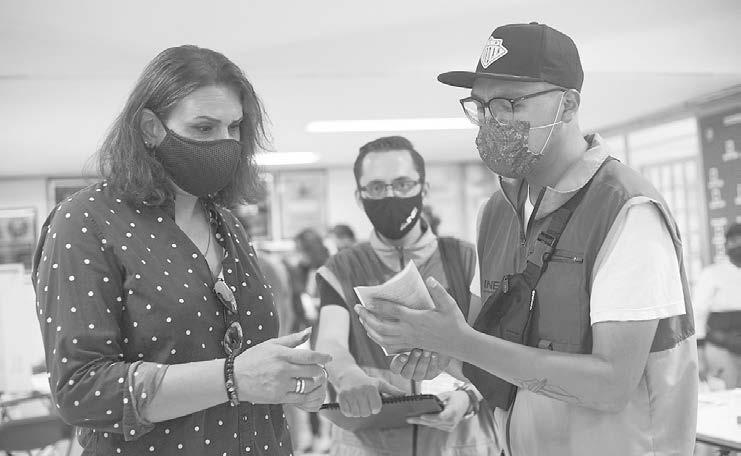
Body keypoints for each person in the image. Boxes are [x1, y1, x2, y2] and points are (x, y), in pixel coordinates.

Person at [355, 23, 698, 456]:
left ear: (568, 105)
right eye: (481, 106)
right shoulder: (497, 214)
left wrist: (461, 343)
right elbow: (491, 355)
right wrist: (438, 346)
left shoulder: (626, 210)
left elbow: (612, 384)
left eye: (509, 103)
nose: (492, 121)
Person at [32, 45, 331, 456]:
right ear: (151, 128)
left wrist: (290, 381)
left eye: (234, 127)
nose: (225, 143)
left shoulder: (228, 225)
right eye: (204, 128)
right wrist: (232, 378)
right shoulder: (86, 221)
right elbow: (80, 391)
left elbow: (251, 363)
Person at [314, 136, 498, 455]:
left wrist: (468, 395)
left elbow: (495, 347)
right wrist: (348, 376)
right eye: (376, 187)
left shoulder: (468, 259)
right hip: (370, 442)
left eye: (402, 184)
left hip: (460, 442)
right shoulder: (341, 268)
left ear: (423, 190)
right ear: (359, 196)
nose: (390, 195)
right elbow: (330, 342)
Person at [693, 222, 741, 388]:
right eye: (734, 241)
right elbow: (698, 315)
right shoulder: (712, 274)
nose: (738, 245)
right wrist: (699, 354)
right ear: (726, 246)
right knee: (727, 398)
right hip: (720, 348)